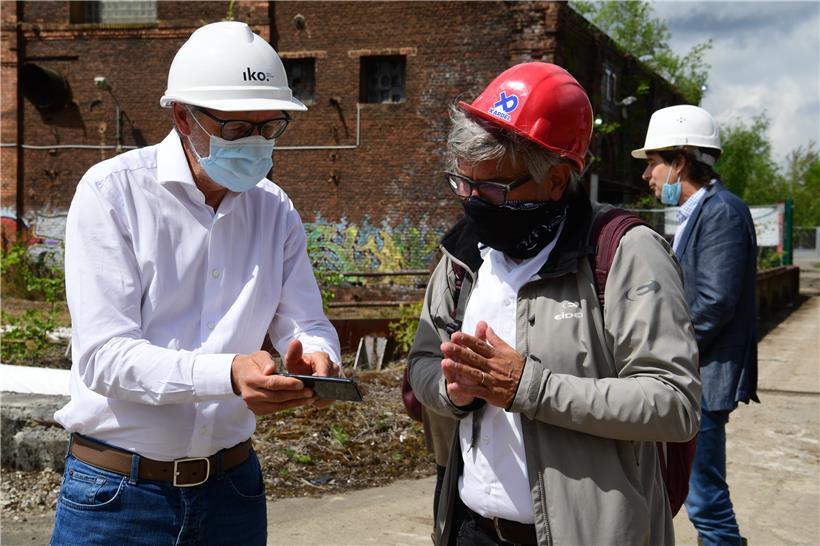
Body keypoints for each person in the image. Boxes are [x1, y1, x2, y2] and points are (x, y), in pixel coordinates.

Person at [50, 22, 341, 545]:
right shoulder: (112, 194)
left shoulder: (274, 210)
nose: (255, 143)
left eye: (270, 126)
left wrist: (316, 357)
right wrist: (228, 373)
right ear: (183, 116)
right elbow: (105, 356)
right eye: (236, 128)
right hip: (118, 497)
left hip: (232, 493)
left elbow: (309, 321)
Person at [408, 62, 702, 546]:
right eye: (464, 184)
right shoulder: (463, 254)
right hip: (471, 530)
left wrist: (530, 386)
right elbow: (421, 361)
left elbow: (673, 403)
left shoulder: (625, 253)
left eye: (494, 189)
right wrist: (451, 390)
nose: (473, 202)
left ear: (557, 180)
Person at [633, 104, 758, 546]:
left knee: (706, 502)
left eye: (652, 163)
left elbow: (714, 302)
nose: (647, 176)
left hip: (702, 377)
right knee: (696, 494)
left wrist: (669, 352)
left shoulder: (722, 211)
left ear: (679, 163)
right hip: (693, 374)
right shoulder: (694, 213)